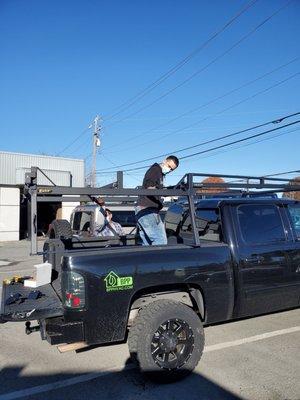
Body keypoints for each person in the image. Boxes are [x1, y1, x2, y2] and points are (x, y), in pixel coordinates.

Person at [136, 155, 179, 245]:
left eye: (172, 169)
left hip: (143, 209)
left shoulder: (160, 174)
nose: (169, 170)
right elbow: (149, 187)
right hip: (147, 209)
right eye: (169, 166)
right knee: (161, 240)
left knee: (147, 243)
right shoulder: (155, 170)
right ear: (165, 161)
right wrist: (165, 192)